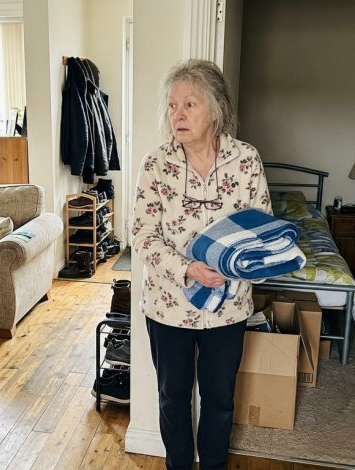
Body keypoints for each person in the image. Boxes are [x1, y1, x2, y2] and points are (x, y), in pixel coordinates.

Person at [131, 59, 272, 470]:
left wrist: (240, 265)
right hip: (167, 304)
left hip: (228, 307)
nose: (178, 114)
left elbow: (260, 228)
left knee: (219, 400)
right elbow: (141, 234)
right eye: (173, 106)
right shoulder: (156, 164)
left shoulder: (246, 160)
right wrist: (187, 269)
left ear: (215, 109)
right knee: (173, 398)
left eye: (190, 104)